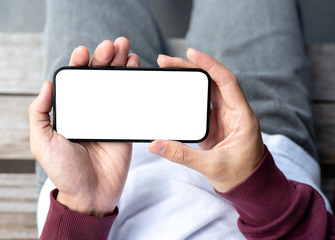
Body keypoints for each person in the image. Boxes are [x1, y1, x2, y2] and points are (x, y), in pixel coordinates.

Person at [31, 0, 335, 239]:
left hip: (89, 159)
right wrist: (256, 184)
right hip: (260, 156)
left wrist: (84, 206)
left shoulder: (83, 192)